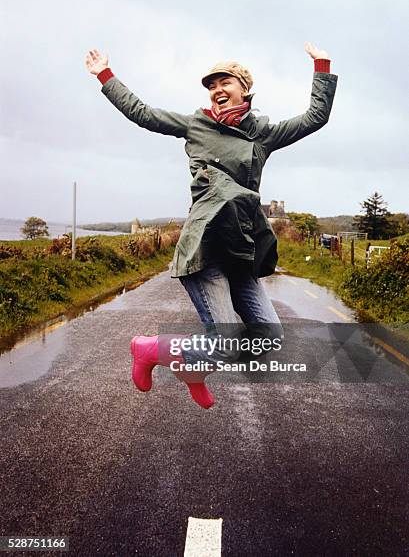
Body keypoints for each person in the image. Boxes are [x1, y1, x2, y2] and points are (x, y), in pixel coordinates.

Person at [85, 43, 338, 409]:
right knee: (225, 341)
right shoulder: (196, 125)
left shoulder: (263, 134)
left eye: (225, 82)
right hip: (206, 247)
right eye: (211, 85)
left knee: (268, 336)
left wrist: (322, 64)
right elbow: (143, 113)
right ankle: (148, 350)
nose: (217, 89)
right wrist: (105, 75)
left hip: (241, 249)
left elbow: (315, 117)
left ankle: (195, 366)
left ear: (244, 88)